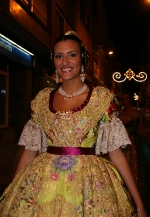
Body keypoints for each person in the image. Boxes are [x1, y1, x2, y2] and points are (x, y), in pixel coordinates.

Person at [0, 31, 147, 217]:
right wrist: (15, 191)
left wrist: (139, 205)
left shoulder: (101, 99)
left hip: (90, 187)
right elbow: (30, 151)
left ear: (82, 59)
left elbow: (116, 154)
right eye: (59, 56)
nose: (65, 62)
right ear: (53, 60)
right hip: (44, 185)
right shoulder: (41, 100)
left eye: (72, 55)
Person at [119, 92, 150, 213]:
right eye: (122, 99)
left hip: (132, 143)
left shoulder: (135, 112)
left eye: (126, 98)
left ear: (130, 99)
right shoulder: (120, 114)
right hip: (122, 142)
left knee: (136, 168)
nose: (124, 101)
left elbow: (135, 128)